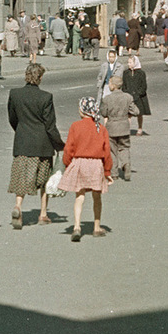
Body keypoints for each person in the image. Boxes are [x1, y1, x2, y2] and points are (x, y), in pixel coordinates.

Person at [7, 62, 65, 228]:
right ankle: (43, 213)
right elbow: (50, 125)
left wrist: (21, 131)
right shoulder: (45, 97)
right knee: (44, 179)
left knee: (21, 178)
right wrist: (59, 144)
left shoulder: (15, 94)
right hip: (42, 144)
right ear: (39, 78)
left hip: (22, 142)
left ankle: (18, 206)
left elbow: (12, 118)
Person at [59, 97, 113, 241]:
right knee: (97, 196)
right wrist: (107, 171)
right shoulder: (101, 128)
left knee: (79, 196)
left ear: (83, 110)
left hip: (80, 162)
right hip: (96, 165)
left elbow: (68, 148)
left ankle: (77, 226)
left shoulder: (75, 126)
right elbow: (106, 151)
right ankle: (96, 227)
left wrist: (68, 164)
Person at [99, 75, 139, 182]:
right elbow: (136, 111)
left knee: (112, 150)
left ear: (113, 85)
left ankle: (114, 173)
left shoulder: (107, 99)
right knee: (124, 147)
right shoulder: (128, 97)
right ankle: (126, 164)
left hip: (111, 127)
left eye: (110, 84)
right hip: (124, 127)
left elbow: (103, 113)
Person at [122, 54, 150, 134]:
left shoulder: (141, 73)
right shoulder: (126, 73)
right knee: (128, 114)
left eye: (130, 62)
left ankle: (140, 128)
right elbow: (124, 85)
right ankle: (127, 129)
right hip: (129, 96)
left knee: (139, 113)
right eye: (128, 62)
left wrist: (139, 93)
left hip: (139, 96)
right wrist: (126, 93)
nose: (128, 64)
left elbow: (143, 86)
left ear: (135, 63)